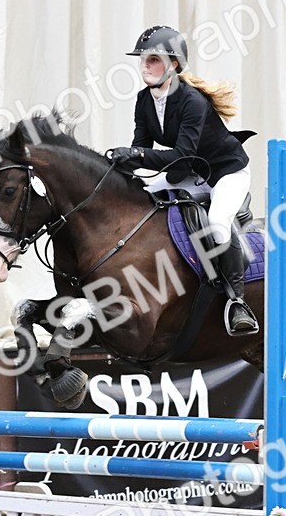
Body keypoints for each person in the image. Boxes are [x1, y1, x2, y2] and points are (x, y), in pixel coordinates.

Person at [109, 25, 259, 336]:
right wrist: (116, 171)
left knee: (217, 222)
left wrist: (135, 155)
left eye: (153, 60)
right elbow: (143, 149)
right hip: (190, 173)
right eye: (143, 60)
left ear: (174, 64)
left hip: (225, 173)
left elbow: (182, 154)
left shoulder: (193, 102)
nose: (145, 67)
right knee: (144, 198)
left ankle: (236, 302)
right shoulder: (144, 100)